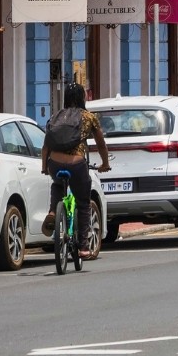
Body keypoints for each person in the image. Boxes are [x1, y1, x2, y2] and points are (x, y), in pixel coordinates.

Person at [41, 83, 110, 260]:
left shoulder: (56, 117)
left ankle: (53, 212)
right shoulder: (88, 117)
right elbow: (101, 143)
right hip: (77, 164)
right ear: (82, 98)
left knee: (57, 185)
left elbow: (45, 146)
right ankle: (84, 247)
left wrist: (44, 167)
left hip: (54, 164)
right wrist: (105, 163)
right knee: (83, 202)